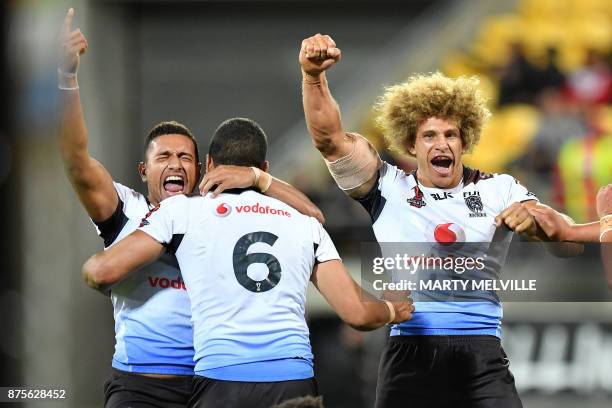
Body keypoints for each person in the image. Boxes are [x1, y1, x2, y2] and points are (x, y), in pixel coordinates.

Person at [58, 9, 323, 407]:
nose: (176, 164)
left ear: (201, 170)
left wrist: (259, 178)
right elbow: (76, 160)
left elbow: (312, 218)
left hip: (209, 383)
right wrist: (66, 78)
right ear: (144, 170)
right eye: (164, 156)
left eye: (186, 157)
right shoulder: (125, 212)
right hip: (141, 385)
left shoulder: (213, 217)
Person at [299, 33, 562, 408]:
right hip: (410, 354)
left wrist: (539, 224)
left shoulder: (501, 189)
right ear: (411, 143)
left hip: (481, 357)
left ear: (464, 140)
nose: (442, 144)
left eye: (451, 134)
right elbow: (329, 140)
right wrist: (313, 78)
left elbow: (565, 242)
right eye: (430, 135)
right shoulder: (387, 186)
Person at [82, 117, 415, 408]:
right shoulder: (303, 223)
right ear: (265, 168)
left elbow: (102, 272)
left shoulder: (183, 212)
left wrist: (97, 268)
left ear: (209, 165)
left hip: (221, 381)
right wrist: (391, 309)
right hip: (292, 380)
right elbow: (357, 313)